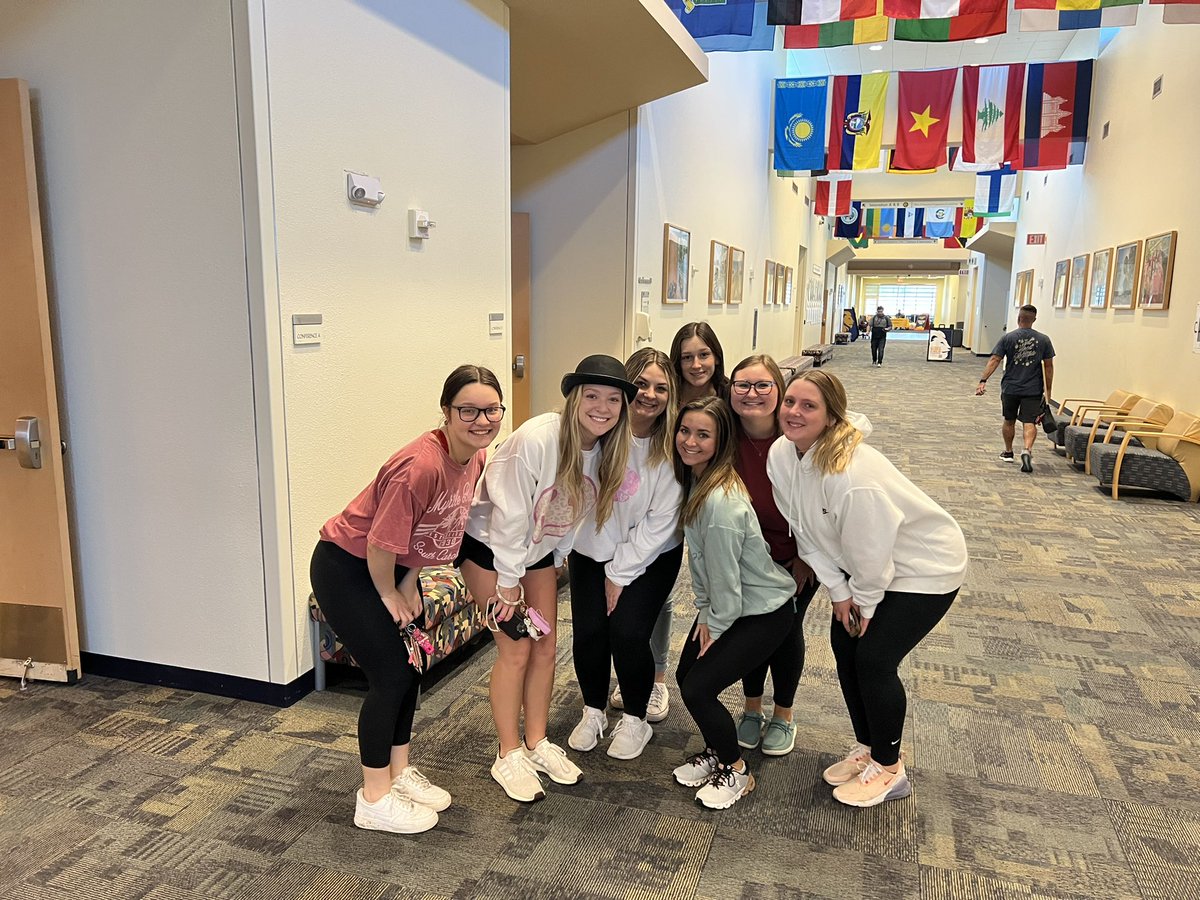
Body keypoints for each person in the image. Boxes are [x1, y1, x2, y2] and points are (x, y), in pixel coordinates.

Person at [309, 365, 504, 834]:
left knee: (412, 667)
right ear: (446, 412)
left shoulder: (474, 458)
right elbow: (379, 542)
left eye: (491, 409)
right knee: (390, 675)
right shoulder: (420, 466)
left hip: (393, 567)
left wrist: (411, 581)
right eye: (468, 410)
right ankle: (373, 798)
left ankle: (397, 774)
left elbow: (433, 532)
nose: (482, 420)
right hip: (350, 568)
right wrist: (386, 592)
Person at [768, 370, 967, 808]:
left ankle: (891, 770)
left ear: (831, 416)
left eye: (809, 406)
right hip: (864, 567)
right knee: (845, 646)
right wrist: (839, 592)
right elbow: (803, 531)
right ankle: (870, 750)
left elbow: (872, 555)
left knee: (874, 658)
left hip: (924, 569)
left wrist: (865, 601)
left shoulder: (851, 474)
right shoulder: (783, 454)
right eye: (790, 402)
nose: (795, 413)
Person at [459, 355, 635, 802]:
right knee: (515, 649)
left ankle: (536, 742)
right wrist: (508, 582)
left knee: (545, 645)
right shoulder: (538, 439)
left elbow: (574, 508)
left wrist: (555, 558)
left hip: (536, 553)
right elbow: (511, 514)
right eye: (592, 396)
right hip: (491, 551)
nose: (602, 407)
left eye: (613, 399)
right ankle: (508, 752)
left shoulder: (605, 448)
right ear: (575, 398)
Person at [671, 397, 798, 810]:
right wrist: (707, 612)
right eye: (685, 430)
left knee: (699, 687)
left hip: (763, 610)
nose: (689, 441)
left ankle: (737, 770)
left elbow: (726, 578)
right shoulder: (699, 479)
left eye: (703, 434)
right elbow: (705, 563)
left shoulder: (720, 502)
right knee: (686, 672)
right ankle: (716, 750)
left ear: (721, 439)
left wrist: (714, 622)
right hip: (733, 603)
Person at [568, 348, 684, 760]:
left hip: (652, 555)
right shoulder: (599, 432)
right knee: (590, 632)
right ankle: (594, 710)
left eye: (661, 388)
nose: (650, 394)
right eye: (642, 384)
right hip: (591, 552)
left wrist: (618, 573)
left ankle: (635, 718)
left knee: (630, 632)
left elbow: (662, 521)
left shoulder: (671, 445)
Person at [727, 355, 819, 757]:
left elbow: (821, 505)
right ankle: (751, 708)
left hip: (796, 557)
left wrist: (806, 557)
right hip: (746, 559)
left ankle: (783, 714)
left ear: (779, 392)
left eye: (763, 385)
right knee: (750, 630)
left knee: (784, 632)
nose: (752, 394)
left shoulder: (799, 437)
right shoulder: (725, 436)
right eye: (743, 385)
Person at [975, 303, 1055, 473]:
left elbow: (995, 360)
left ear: (1019, 318)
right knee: (1029, 422)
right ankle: (1026, 450)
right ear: (1034, 319)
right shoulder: (1044, 340)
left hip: (1011, 387)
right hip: (1033, 389)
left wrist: (983, 380)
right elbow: (1048, 367)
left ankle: (1008, 451)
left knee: (1009, 420)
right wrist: (1048, 390)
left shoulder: (1008, 338)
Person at [669, 321, 729, 405]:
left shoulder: (731, 397)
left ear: (717, 358)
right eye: (687, 357)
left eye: (703, 355)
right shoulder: (667, 395)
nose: (696, 365)